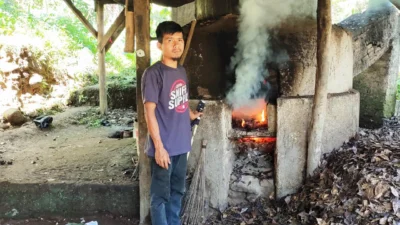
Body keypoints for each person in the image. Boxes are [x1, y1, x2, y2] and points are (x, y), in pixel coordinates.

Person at [141, 21, 203, 225]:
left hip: (181, 145)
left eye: (179, 40)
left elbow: (180, 103)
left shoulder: (181, 72)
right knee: (160, 197)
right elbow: (149, 112)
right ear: (160, 45)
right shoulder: (153, 74)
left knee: (177, 192)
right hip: (164, 148)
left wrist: (190, 116)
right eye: (170, 40)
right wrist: (159, 147)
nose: (176, 45)